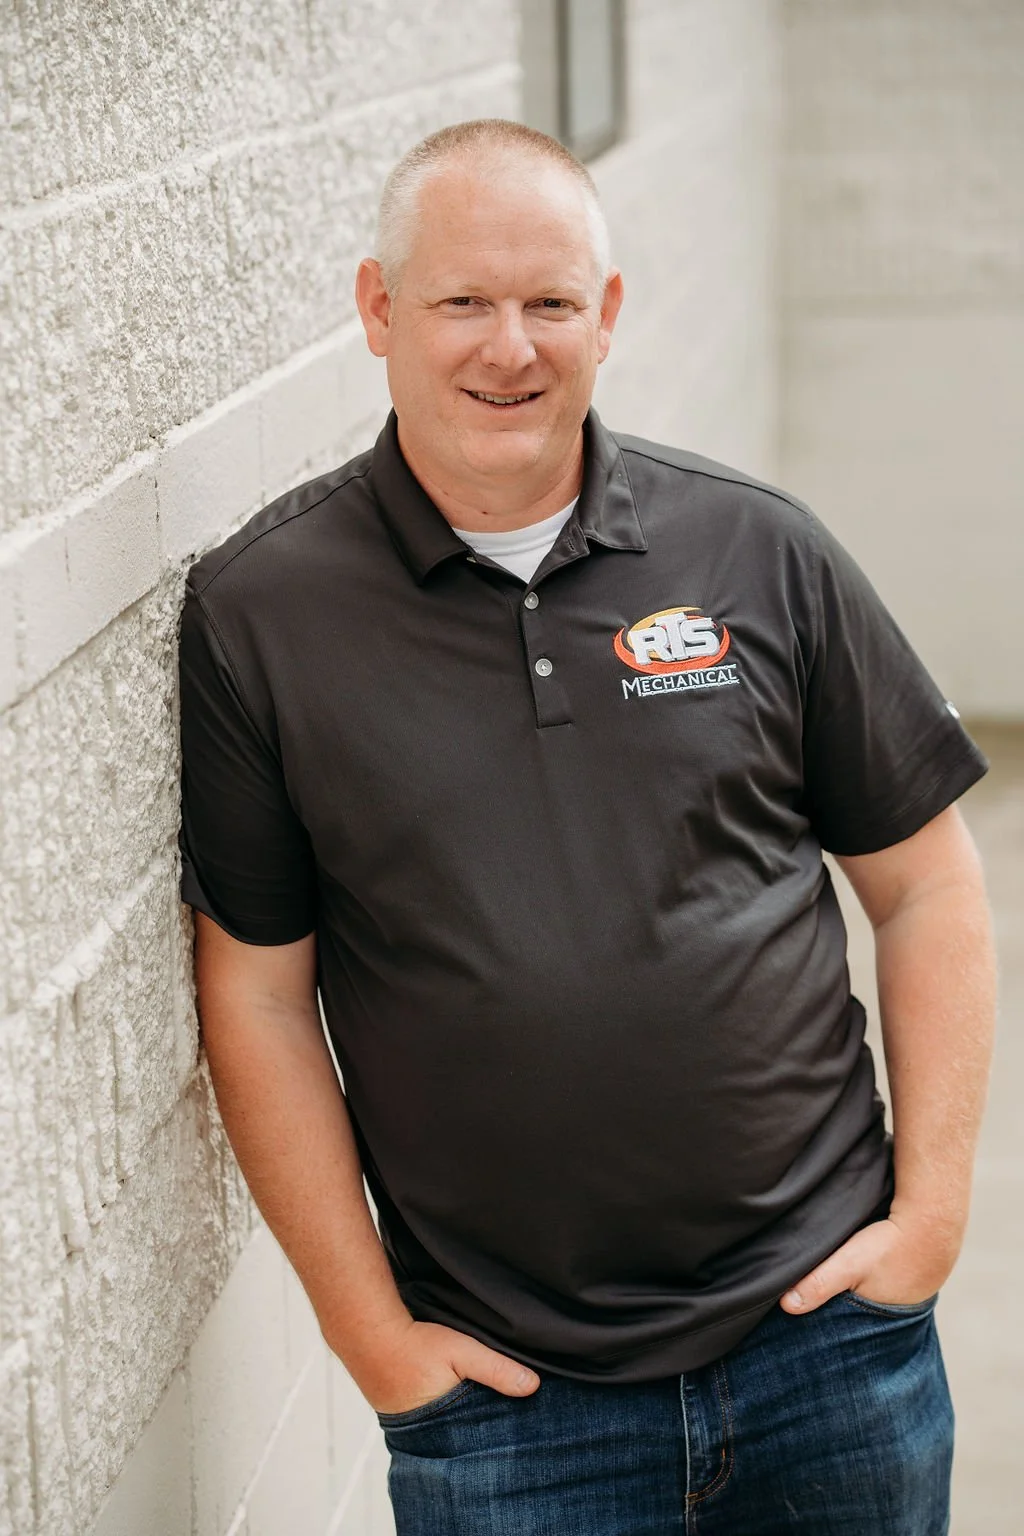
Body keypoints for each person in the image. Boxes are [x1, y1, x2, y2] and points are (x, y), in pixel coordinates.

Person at [177, 119, 996, 1535]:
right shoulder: (264, 615)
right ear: (379, 311)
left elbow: (927, 888)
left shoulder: (758, 552)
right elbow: (254, 992)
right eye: (461, 303)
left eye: (551, 302)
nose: (511, 348)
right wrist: (375, 1340)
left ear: (606, 317)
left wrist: (926, 1223)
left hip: (828, 1354)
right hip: (510, 1417)